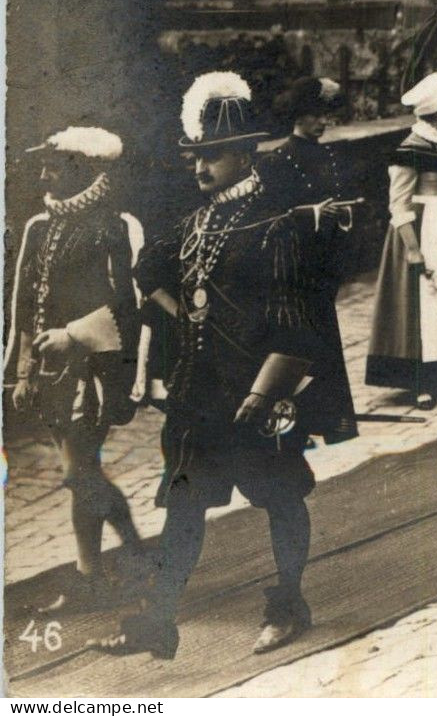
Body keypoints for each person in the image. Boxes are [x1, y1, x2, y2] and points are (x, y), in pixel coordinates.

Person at [100, 72, 354, 658]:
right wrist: (181, 317)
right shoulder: (194, 225)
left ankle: (290, 604)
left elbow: (296, 323)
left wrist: (265, 395)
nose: (200, 168)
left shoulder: (277, 223)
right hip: (198, 395)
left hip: (257, 392)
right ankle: (159, 622)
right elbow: (149, 273)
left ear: (244, 155)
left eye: (211, 157)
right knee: (183, 504)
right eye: (195, 157)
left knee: (280, 498)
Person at [9, 126, 144, 614]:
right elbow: (26, 304)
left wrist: (76, 335)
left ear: (82, 171)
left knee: (76, 473)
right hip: (48, 374)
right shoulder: (39, 227)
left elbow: (128, 305)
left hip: (93, 368)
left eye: (54, 167)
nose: (45, 175)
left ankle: (95, 574)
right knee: (84, 473)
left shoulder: (113, 226)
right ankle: (127, 548)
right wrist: (24, 371)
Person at [364, 70, 437, 409]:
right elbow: (398, 204)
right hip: (425, 228)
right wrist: (413, 250)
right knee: (425, 304)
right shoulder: (411, 148)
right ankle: (421, 381)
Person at [258, 76, 360, 440]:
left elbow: (337, 199)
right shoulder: (277, 160)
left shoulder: (329, 155)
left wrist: (341, 214)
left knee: (324, 342)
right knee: (299, 345)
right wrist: (313, 213)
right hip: (294, 269)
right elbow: (271, 218)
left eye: (326, 116)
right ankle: (293, 424)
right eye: (316, 116)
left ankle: (328, 420)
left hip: (321, 267)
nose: (323, 123)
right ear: (298, 115)